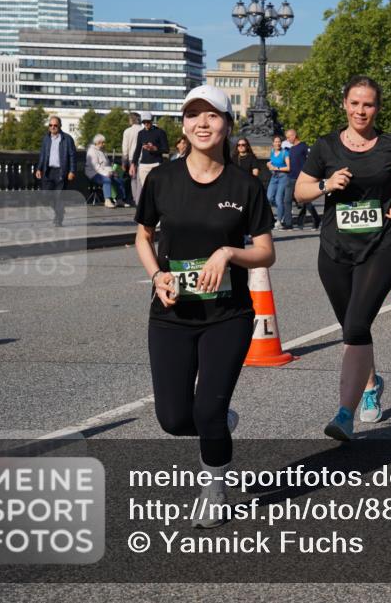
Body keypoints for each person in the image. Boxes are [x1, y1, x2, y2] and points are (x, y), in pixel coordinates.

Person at [134, 85, 274, 528]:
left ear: (227, 125)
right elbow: (142, 235)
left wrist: (229, 254)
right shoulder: (161, 179)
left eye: (212, 115)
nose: (202, 123)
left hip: (228, 315)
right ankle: (216, 422)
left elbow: (267, 252)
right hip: (172, 314)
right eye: (193, 115)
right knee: (174, 419)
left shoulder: (244, 185)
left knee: (206, 411)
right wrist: (157, 275)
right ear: (183, 125)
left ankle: (215, 486)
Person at [294, 75, 391, 440]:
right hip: (334, 250)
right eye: (355, 103)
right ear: (345, 105)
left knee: (355, 327)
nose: (361, 110)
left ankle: (345, 414)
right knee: (354, 328)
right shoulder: (326, 146)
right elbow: (301, 191)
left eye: (368, 104)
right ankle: (371, 384)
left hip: (380, 247)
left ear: (377, 108)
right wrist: (325, 185)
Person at [35, 115, 77, 227]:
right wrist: (39, 168)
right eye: (50, 125)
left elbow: (72, 156)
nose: (53, 127)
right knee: (46, 196)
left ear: (60, 126)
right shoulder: (46, 139)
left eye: (55, 125)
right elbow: (43, 155)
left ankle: (58, 219)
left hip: (61, 172)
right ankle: (60, 211)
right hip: (48, 171)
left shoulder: (67, 139)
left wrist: (72, 171)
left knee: (58, 196)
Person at [285, 128, 319, 230]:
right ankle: (288, 224)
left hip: (302, 179)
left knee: (306, 202)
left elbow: (311, 161)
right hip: (291, 178)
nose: (287, 139)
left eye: (288, 137)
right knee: (286, 200)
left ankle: (316, 218)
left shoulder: (304, 147)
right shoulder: (291, 149)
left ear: (294, 136)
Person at [85, 133, 128, 207]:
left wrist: (113, 172)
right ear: (97, 143)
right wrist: (106, 173)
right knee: (106, 180)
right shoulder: (92, 151)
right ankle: (107, 200)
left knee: (119, 180)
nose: (104, 144)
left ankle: (119, 200)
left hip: (104, 172)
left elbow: (107, 165)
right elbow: (96, 166)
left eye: (104, 142)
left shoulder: (103, 151)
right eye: (102, 142)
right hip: (93, 173)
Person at [131, 112, 169, 191]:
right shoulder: (141, 133)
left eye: (148, 121)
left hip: (156, 164)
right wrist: (133, 164)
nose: (146, 124)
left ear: (151, 120)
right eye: (144, 122)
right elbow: (137, 150)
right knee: (145, 189)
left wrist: (155, 149)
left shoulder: (160, 132)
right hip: (143, 165)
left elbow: (166, 149)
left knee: (157, 188)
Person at [266, 135, 291, 229]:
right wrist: (269, 164)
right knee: (268, 198)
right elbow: (271, 162)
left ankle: (279, 221)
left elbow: (289, 168)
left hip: (283, 177)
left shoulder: (285, 153)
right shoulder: (272, 151)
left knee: (278, 199)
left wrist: (276, 168)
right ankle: (283, 209)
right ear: (273, 143)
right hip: (274, 177)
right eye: (276, 142)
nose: (278, 143)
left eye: (279, 141)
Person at [121, 112, 143, 205]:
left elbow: (125, 149)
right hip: (143, 158)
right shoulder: (143, 130)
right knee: (141, 180)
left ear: (131, 120)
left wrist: (124, 162)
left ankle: (135, 199)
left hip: (131, 158)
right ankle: (140, 199)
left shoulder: (127, 131)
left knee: (133, 180)